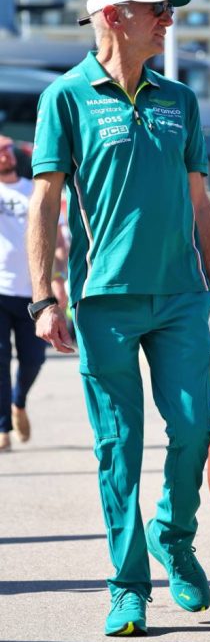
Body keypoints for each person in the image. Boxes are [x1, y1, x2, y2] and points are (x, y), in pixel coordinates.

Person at [27, 0, 210, 636]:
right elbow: (46, 203)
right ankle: (127, 586)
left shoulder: (181, 99)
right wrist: (43, 298)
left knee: (192, 425)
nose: (168, 18)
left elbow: (201, 204)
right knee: (118, 448)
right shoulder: (65, 98)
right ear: (114, 16)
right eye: (156, 9)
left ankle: (172, 534)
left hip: (181, 298)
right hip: (103, 303)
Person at [0, 135, 67, 452]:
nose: (4, 155)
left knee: (33, 359)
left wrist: (57, 277)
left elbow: (57, 237)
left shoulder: (33, 189)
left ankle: (19, 401)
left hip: (32, 292)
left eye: (6, 149)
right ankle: (2, 428)